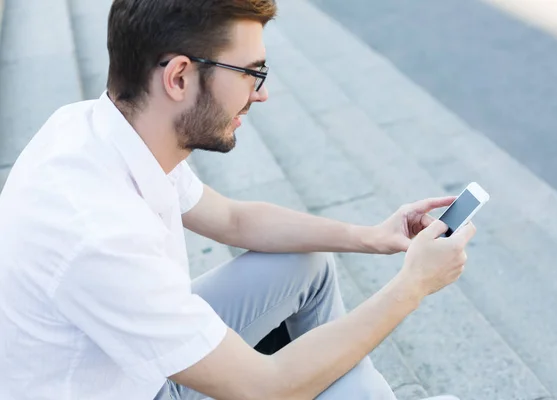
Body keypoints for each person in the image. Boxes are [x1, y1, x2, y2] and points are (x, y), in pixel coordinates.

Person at [0, 1, 476, 399]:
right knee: (353, 391)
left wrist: (370, 237)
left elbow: (231, 219)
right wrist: (411, 286)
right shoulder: (95, 232)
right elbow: (263, 387)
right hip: (132, 390)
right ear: (179, 77)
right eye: (251, 73)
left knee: (305, 265)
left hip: (134, 362)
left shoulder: (100, 128)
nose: (262, 94)